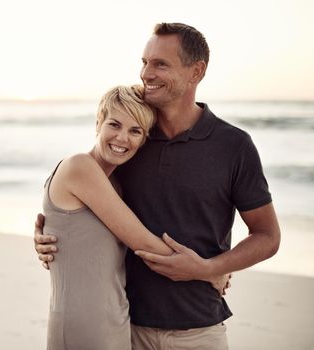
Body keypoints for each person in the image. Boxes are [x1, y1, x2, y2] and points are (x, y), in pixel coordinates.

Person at [35, 23, 280, 349]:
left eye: (160, 64)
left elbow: (267, 236)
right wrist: (51, 234)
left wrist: (211, 268)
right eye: (145, 62)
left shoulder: (233, 146)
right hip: (129, 327)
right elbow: (79, 203)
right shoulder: (132, 144)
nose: (146, 73)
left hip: (199, 329)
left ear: (197, 71)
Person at [41, 84, 229, 350]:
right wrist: (209, 272)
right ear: (98, 122)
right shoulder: (79, 167)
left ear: (144, 139)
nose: (122, 138)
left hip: (118, 321)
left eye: (135, 131)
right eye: (114, 125)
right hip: (81, 324)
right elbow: (144, 244)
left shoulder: (116, 183)